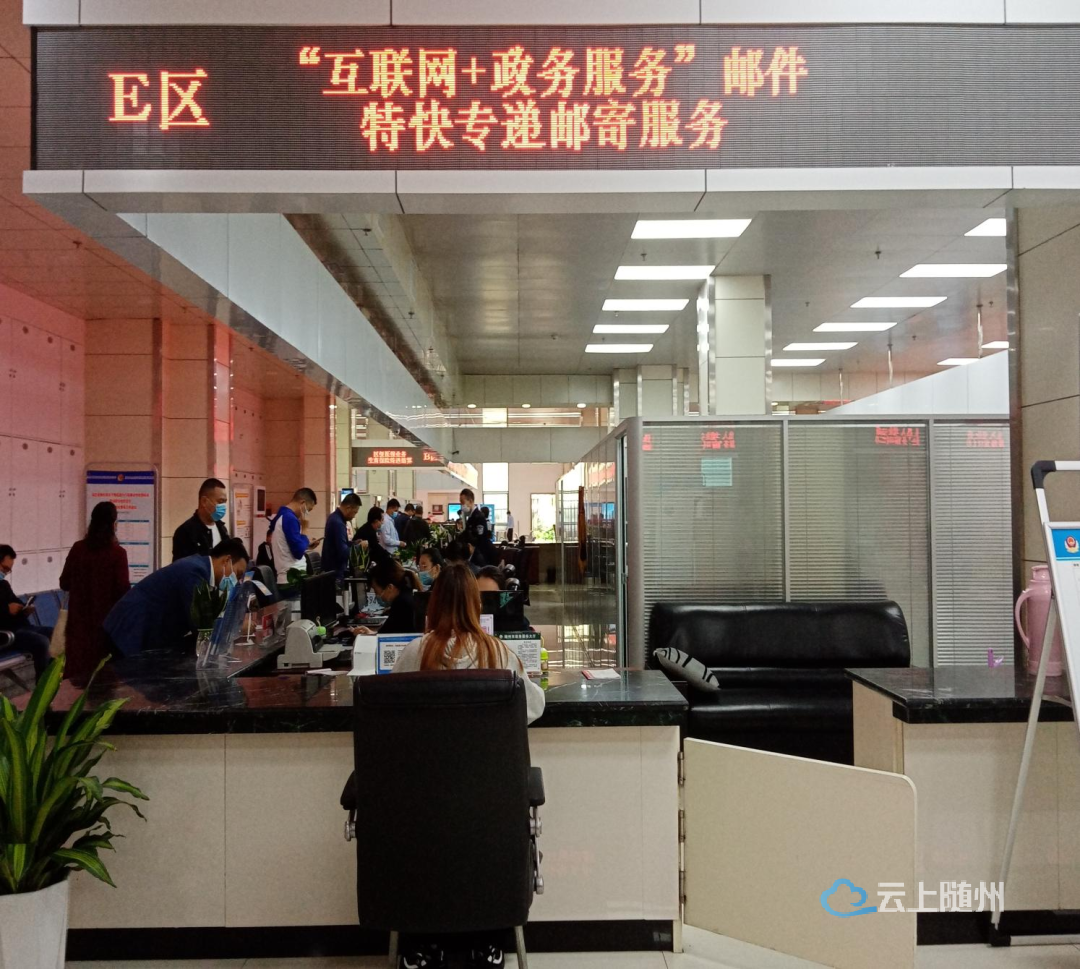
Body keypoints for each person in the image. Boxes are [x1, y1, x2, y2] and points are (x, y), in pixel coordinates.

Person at [103, 538, 250, 657]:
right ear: (226, 560)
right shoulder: (194, 571)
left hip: (143, 632)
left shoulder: (203, 572)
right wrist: (235, 627)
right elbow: (202, 626)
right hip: (128, 630)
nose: (236, 581)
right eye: (237, 574)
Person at [58, 502, 131, 680]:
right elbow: (122, 590)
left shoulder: (78, 549)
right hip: (106, 627)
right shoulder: (118, 553)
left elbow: (64, 582)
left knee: (76, 678)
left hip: (78, 627)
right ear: (113, 524)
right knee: (103, 678)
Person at [0, 544, 50, 677]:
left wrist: (24, 609)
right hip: (5, 634)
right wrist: (6, 609)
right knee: (42, 642)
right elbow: (6, 610)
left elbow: (17, 602)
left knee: (56, 634)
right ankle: (43, 685)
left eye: (8, 570)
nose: (5, 573)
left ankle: (53, 679)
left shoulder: (3, 585)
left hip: (20, 628)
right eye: (4, 568)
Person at [268, 488, 322, 583]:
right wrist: (305, 529)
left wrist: (307, 545)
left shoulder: (282, 515)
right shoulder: (290, 518)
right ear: (303, 503)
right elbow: (298, 552)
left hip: (289, 576)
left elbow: (288, 547)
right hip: (291, 579)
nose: (307, 514)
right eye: (308, 510)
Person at [171, 478, 230, 562]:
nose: (223, 506)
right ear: (204, 501)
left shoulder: (222, 529)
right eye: (220, 501)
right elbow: (182, 567)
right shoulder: (186, 532)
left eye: (224, 502)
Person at [476, 565, 531, 633]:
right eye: (481, 595)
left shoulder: (512, 620)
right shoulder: (466, 620)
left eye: (492, 596)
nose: (486, 602)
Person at [322, 493, 363, 582]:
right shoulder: (338, 523)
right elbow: (343, 553)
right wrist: (359, 547)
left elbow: (338, 544)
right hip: (335, 572)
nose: (354, 516)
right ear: (348, 508)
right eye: (355, 512)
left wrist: (353, 543)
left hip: (332, 570)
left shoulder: (334, 517)